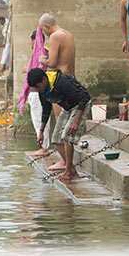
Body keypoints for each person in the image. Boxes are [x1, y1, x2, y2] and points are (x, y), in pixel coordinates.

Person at [26, 67, 92, 181]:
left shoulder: (61, 82)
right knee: (56, 138)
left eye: (38, 86)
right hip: (68, 108)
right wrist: (40, 132)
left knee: (67, 136)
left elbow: (83, 98)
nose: (37, 90)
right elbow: (46, 109)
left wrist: (75, 122)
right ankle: (71, 170)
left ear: (44, 80)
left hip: (81, 105)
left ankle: (68, 172)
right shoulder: (42, 91)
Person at [37, 13, 76, 171]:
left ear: (46, 26)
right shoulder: (68, 34)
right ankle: (67, 162)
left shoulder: (54, 36)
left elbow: (52, 63)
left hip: (59, 83)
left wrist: (41, 59)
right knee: (66, 123)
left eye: (42, 30)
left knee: (61, 123)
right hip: (71, 79)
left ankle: (66, 163)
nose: (44, 34)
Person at [25, 30, 52, 158]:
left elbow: (43, 70)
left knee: (39, 119)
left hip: (38, 92)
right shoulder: (42, 52)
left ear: (35, 41)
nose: (30, 43)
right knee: (39, 120)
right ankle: (43, 146)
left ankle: (44, 148)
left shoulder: (43, 52)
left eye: (31, 40)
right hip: (37, 92)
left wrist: (28, 70)